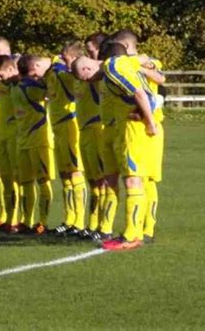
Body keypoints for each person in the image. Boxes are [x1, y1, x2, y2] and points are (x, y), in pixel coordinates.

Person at [72, 47, 161, 250]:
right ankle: (124, 231)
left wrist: (150, 121)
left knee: (133, 179)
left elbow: (140, 92)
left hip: (133, 129)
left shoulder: (113, 68)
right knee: (122, 178)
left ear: (87, 68)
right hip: (119, 128)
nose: (88, 82)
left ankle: (132, 235)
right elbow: (143, 59)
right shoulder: (114, 68)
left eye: (85, 78)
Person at [111, 30, 166, 242]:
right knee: (145, 180)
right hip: (147, 125)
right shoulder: (137, 64)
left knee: (142, 179)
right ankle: (144, 231)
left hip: (142, 126)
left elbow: (160, 79)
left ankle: (140, 231)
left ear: (125, 45)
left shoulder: (146, 62)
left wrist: (137, 65)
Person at [0, 55, 55, 234]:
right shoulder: (12, 86)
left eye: (0, 76)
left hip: (39, 140)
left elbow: (50, 87)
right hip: (22, 140)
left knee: (43, 182)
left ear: (12, 70)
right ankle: (26, 221)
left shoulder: (31, 86)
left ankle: (43, 222)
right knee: (25, 182)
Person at [26, 54, 86, 235]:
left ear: (38, 64)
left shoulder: (61, 71)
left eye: (35, 74)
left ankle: (80, 222)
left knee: (75, 173)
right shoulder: (51, 73)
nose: (37, 79)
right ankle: (69, 220)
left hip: (69, 125)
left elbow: (79, 80)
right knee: (65, 177)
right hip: (58, 128)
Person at [63, 39, 105, 238]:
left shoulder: (98, 77)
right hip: (84, 131)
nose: (66, 65)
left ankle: (102, 226)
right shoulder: (77, 77)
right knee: (93, 181)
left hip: (97, 130)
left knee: (102, 181)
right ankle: (91, 225)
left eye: (68, 60)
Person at [0, 37, 19, 232]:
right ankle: (8, 218)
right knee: (5, 178)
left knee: (18, 179)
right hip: (2, 134)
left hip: (18, 135)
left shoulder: (21, 83)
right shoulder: (3, 82)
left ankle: (20, 220)